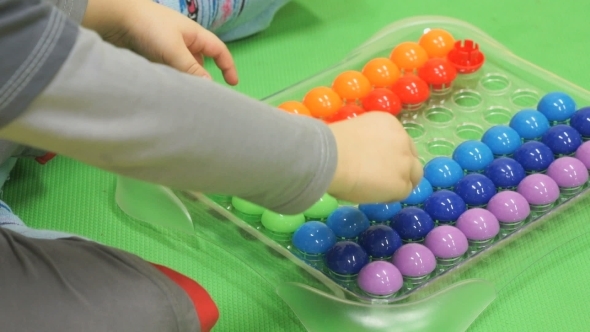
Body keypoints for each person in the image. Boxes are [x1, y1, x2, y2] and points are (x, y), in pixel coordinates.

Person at [0, 0, 423, 331]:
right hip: (28, 74)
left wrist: (116, 11)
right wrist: (330, 159)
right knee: (146, 312)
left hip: (26, 62)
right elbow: (92, 94)